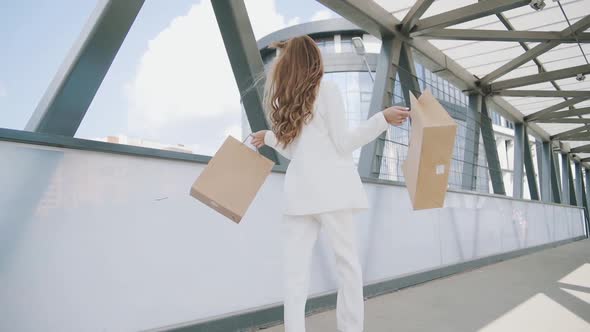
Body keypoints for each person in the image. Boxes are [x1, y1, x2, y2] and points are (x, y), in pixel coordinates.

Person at [250, 35, 409, 332]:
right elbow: (344, 143)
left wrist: (269, 137)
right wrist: (382, 119)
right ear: (315, 60)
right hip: (332, 193)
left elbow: (293, 151)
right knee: (348, 267)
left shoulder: (286, 100)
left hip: (299, 196)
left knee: (294, 276)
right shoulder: (327, 90)